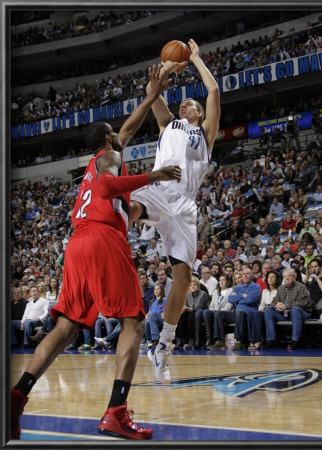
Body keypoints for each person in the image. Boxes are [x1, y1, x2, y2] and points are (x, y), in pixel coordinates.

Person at [11, 64, 182, 441]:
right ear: (107, 139)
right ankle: (116, 412)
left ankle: (17, 395)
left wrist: (151, 97)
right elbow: (107, 187)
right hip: (103, 239)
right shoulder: (110, 159)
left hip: (76, 245)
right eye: (114, 133)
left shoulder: (98, 157)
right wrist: (154, 176)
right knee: (134, 322)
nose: (120, 133)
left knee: (67, 326)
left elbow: (130, 128)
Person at [130, 39, 220, 384]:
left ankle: (163, 346)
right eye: (185, 102)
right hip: (161, 187)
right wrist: (167, 67)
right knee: (131, 207)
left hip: (185, 205)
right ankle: (100, 233)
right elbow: (153, 91)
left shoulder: (205, 134)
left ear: (198, 114)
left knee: (182, 280)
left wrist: (195, 59)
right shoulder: (168, 123)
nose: (187, 104)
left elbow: (212, 91)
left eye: (192, 104)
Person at [210, 267, 261, 350]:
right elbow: (230, 299)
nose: (245, 276)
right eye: (243, 274)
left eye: (247, 274)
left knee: (239, 312)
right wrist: (242, 295)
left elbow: (251, 300)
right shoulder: (238, 287)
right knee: (218, 313)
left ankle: (239, 340)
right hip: (237, 314)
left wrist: (237, 298)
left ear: (252, 276)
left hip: (249, 314)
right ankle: (220, 340)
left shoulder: (256, 286)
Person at [264, 268, 314, 349]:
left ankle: (295, 340)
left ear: (294, 276)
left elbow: (305, 302)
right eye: (285, 276)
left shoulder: (301, 287)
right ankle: (271, 340)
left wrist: (286, 305)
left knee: (295, 309)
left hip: (301, 313)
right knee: (268, 310)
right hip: (285, 314)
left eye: (289, 276)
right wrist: (277, 305)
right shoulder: (281, 288)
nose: (287, 278)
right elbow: (273, 302)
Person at [195, 274, 233, 348]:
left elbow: (229, 306)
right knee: (202, 312)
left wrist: (217, 312)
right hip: (215, 312)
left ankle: (214, 339)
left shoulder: (231, 291)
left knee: (211, 313)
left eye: (223, 280)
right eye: (220, 280)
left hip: (225, 313)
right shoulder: (216, 292)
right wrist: (214, 311)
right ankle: (204, 339)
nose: (221, 282)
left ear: (227, 282)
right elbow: (211, 305)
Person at [247, 270, 281, 350]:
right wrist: (260, 309)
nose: (270, 279)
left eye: (273, 277)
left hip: (274, 312)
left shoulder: (279, 290)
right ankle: (252, 340)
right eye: (269, 277)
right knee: (251, 313)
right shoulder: (265, 291)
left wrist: (264, 310)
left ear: (277, 279)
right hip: (264, 311)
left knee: (257, 314)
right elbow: (262, 304)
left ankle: (258, 340)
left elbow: (277, 304)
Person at [175, 276, 209, 350]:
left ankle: (192, 339)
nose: (192, 287)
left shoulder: (203, 294)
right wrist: (183, 309)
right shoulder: (188, 294)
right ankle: (179, 339)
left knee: (192, 313)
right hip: (190, 312)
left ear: (198, 285)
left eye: (194, 285)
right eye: (190, 285)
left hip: (200, 314)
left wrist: (189, 309)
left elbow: (200, 307)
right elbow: (186, 305)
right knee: (180, 314)